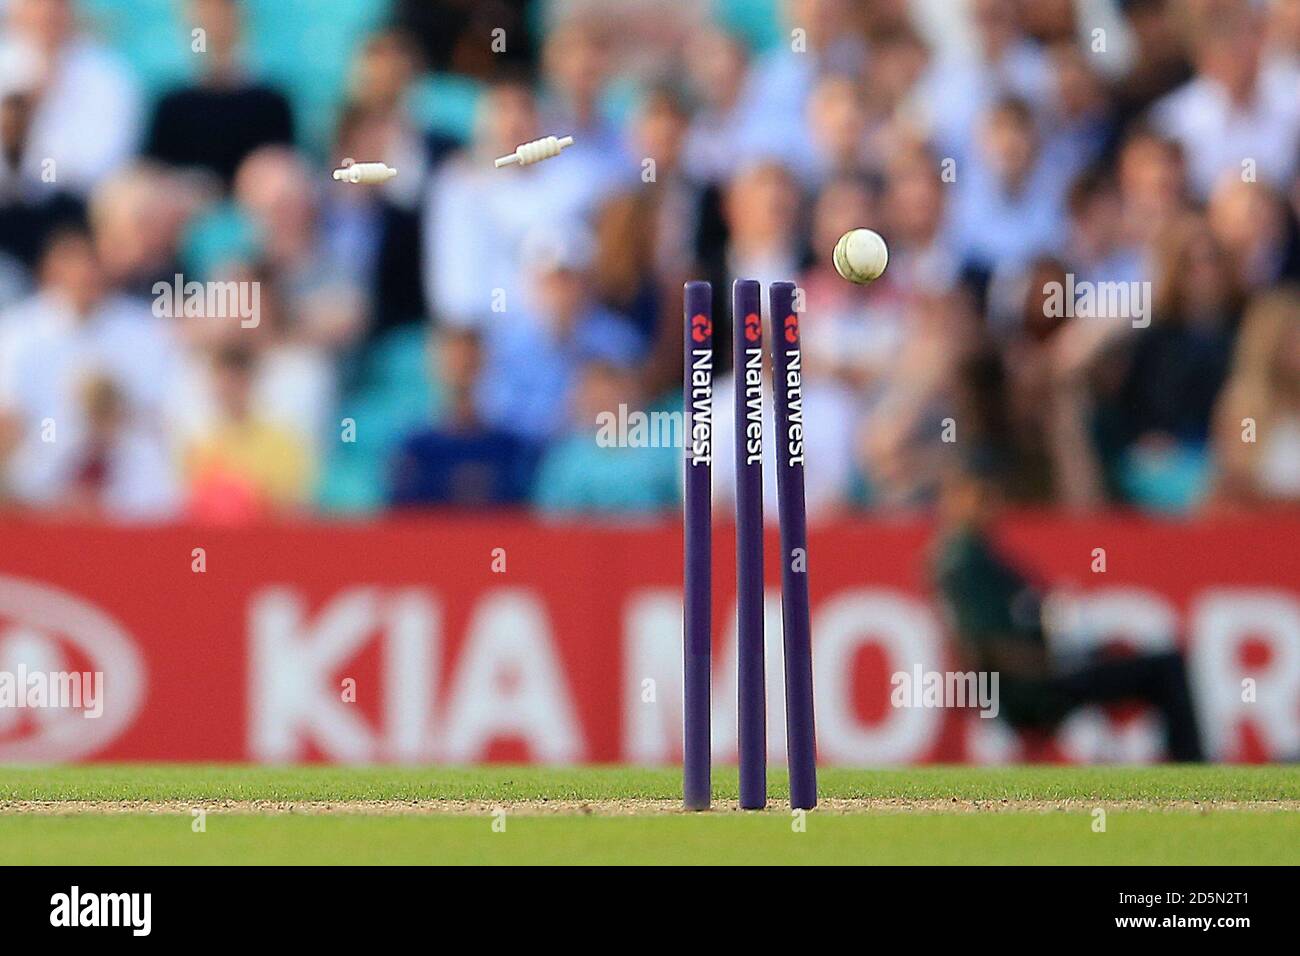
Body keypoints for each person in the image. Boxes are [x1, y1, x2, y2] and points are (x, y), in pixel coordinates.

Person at [932, 457, 1204, 761]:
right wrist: (1061, 662)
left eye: (993, 495)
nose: (992, 505)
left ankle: (1185, 764)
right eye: (981, 497)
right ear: (954, 500)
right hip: (1033, 688)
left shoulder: (982, 555)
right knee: (1165, 668)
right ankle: (1192, 764)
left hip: (1038, 677)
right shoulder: (965, 562)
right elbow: (986, 647)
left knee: (1156, 666)